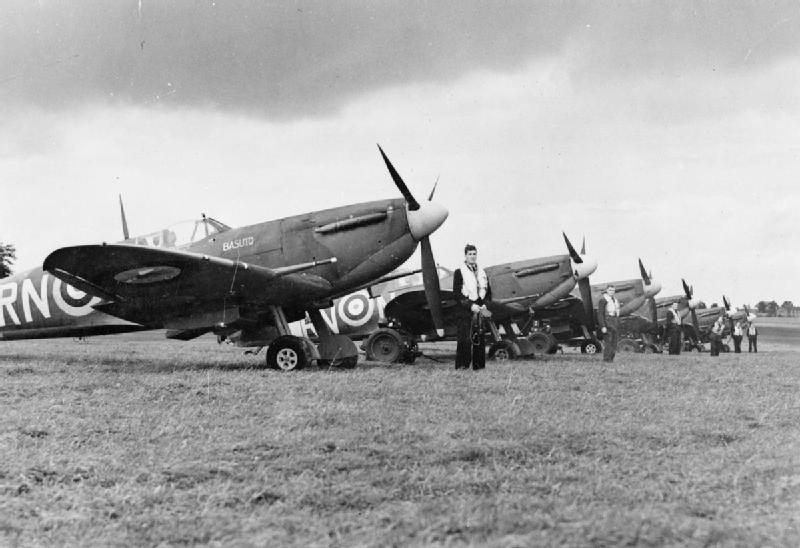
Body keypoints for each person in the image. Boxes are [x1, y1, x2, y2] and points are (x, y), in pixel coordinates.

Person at [452, 244, 492, 370]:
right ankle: (462, 366)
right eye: (470, 254)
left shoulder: (482, 272)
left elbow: (488, 293)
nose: (472, 256)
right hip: (465, 310)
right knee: (464, 339)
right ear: (465, 256)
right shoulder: (459, 272)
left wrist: (485, 304)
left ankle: (479, 366)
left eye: (474, 254)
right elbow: (456, 294)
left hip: (480, 309)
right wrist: (470, 305)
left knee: (479, 338)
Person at [597, 285, 621, 363]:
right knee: (608, 342)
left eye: (613, 290)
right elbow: (600, 314)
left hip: (615, 321)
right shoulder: (603, 300)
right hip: (607, 322)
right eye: (610, 290)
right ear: (607, 290)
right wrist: (603, 326)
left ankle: (611, 359)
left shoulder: (615, 300)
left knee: (614, 342)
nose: (611, 292)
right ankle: (606, 359)